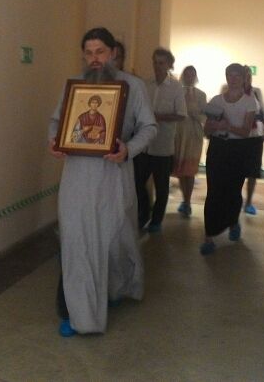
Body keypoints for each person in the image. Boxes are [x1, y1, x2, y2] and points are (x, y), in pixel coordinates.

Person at [48, 27, 157, 336]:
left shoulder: (133, 86)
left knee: (113, 241)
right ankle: (81, 316)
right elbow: (57, 122)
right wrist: (54, 141)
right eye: (89, 53)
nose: (94, 59)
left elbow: (149, 127)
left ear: (112, 53)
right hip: (77, 178)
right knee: (77, 242)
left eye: (100, 52)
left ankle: (117, 287)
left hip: (113, 177)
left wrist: (128, 149)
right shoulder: (75, 87)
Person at [200, 63, 257, 255]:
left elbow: (245, 131)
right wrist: (213, 127)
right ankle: (209, 236)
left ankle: (233, 221)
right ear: (226, 77)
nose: (233, 79)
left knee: (233, 191)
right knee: (214, 191)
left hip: (238, 150)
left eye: (237, 76)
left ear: (243, 78)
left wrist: (227, 126)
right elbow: (206, 131)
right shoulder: (216, 100)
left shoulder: (249, 101)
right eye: (230, 75)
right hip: (218, 149)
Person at [134, 48, 186, 233]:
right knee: (137, 183)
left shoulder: (176, 87)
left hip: (163, 146)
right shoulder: (145, 84)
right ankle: (144, 214)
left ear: (169, 65)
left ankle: (156, 221)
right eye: (155, 62)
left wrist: (159, 117)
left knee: (161, 187)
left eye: (161, 63)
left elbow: (181, 115)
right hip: (143, 145)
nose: (157, 66)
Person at [172, 65, 207, 217]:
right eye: (187, 74)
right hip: (178, 133)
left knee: (190, 170)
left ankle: (188, 201)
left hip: (194, 134)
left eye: (192, 74)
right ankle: (184, 200)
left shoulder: (201, 95)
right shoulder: (176, 92)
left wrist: (195, 113)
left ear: (195, 76)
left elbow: (205, 116)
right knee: (181, 169)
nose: (189, 77)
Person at [243, 66, 264, 215]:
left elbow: (262, 111)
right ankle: (235, 199)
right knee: (236, 170)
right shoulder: (232, 91)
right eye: (245, 76)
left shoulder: (256, 92)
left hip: (255, 135)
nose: (248, 79)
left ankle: (249, 202)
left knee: (253, 170)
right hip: (238, 136)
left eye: (249, 76)